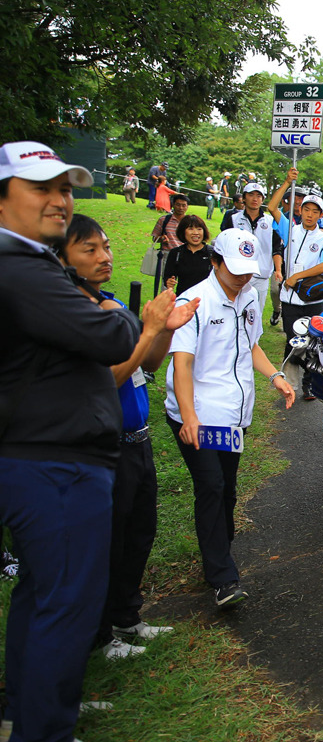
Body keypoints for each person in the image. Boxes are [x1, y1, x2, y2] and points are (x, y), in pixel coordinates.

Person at [0, 141, 146, 742]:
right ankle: (44, 729)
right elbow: (114, 333)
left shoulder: (34, 265)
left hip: (42, 455)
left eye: (65, 188)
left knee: (41, 597)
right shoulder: (21, 268)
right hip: (53, 463)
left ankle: (29, 712)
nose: (60, 200)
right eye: (41, 188)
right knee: (65, 604)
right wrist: (124, 317)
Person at [56, 215, 196, 661]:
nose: (105, 257)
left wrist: (166, 329)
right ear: (61, 258)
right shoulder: (70, 314)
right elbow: (106, 377)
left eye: (107, 247)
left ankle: (126, 616)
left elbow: (145, 367)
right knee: (106, 543)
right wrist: (150, 328)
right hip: (103, 446)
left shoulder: (109, 303)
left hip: (137, 439)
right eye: (90, 250)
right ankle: (99, 637)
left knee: (139, 533)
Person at [165, 228, 296, 608]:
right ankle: (223, 577)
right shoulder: (195, 301)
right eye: (234, 270)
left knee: (226, 489)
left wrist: (275, 376)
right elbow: (182, 365)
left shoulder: (250, 295)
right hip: (198, 413)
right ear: (215, 262)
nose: (241, 279)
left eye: (247, 271)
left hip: (233, 415)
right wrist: (189, 416)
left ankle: (217, 552)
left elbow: (251, 344)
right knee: (210, 486)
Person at [278, 193, 323, 400]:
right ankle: (289, 383)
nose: (309, 215)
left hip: (312, 299)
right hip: (289, 298)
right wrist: (287, 182)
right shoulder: (290, 230)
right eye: (306, 210)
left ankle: (308, 384)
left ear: (320, 214)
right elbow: (272, 208)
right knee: (293, 341)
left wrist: (297, 276)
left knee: (312, 344)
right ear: (300, 210)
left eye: (314, 211)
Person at [221, 175, 285, 317]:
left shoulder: (270, 221)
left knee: (255, 314)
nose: (255, 199)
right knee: (234, 311)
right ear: (244, 198)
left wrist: (278, 270)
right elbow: (225, 245)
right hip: (237, 273)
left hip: (261, 274)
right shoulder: (233, 219)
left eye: (258, 196)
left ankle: (254, 339)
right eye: (251, 195)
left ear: (262, 199)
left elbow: (276, 248)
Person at [163, 213, 214, 294]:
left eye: (199, 229)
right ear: (183, 231)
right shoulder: (176, 253)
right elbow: (167, 276)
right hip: (183, 301)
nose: (196, 233)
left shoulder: (212, 253)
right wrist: (169, 282)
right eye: (191, 229)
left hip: (207, 301)